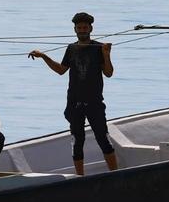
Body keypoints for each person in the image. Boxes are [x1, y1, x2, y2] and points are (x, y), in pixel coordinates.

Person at [28, 12, 118, 176]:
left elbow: (109, 73)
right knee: (77, 141)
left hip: (95, 103)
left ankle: (115, 174)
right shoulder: (71, 48)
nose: (82, 30)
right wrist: (43, 56)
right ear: (75, 29)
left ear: (91, 28)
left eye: (85, 27)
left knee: (103, 138)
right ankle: (79, 178)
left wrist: (106, 54)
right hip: (74, 103)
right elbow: (61, 70)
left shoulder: (99, 48)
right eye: (79, 28)